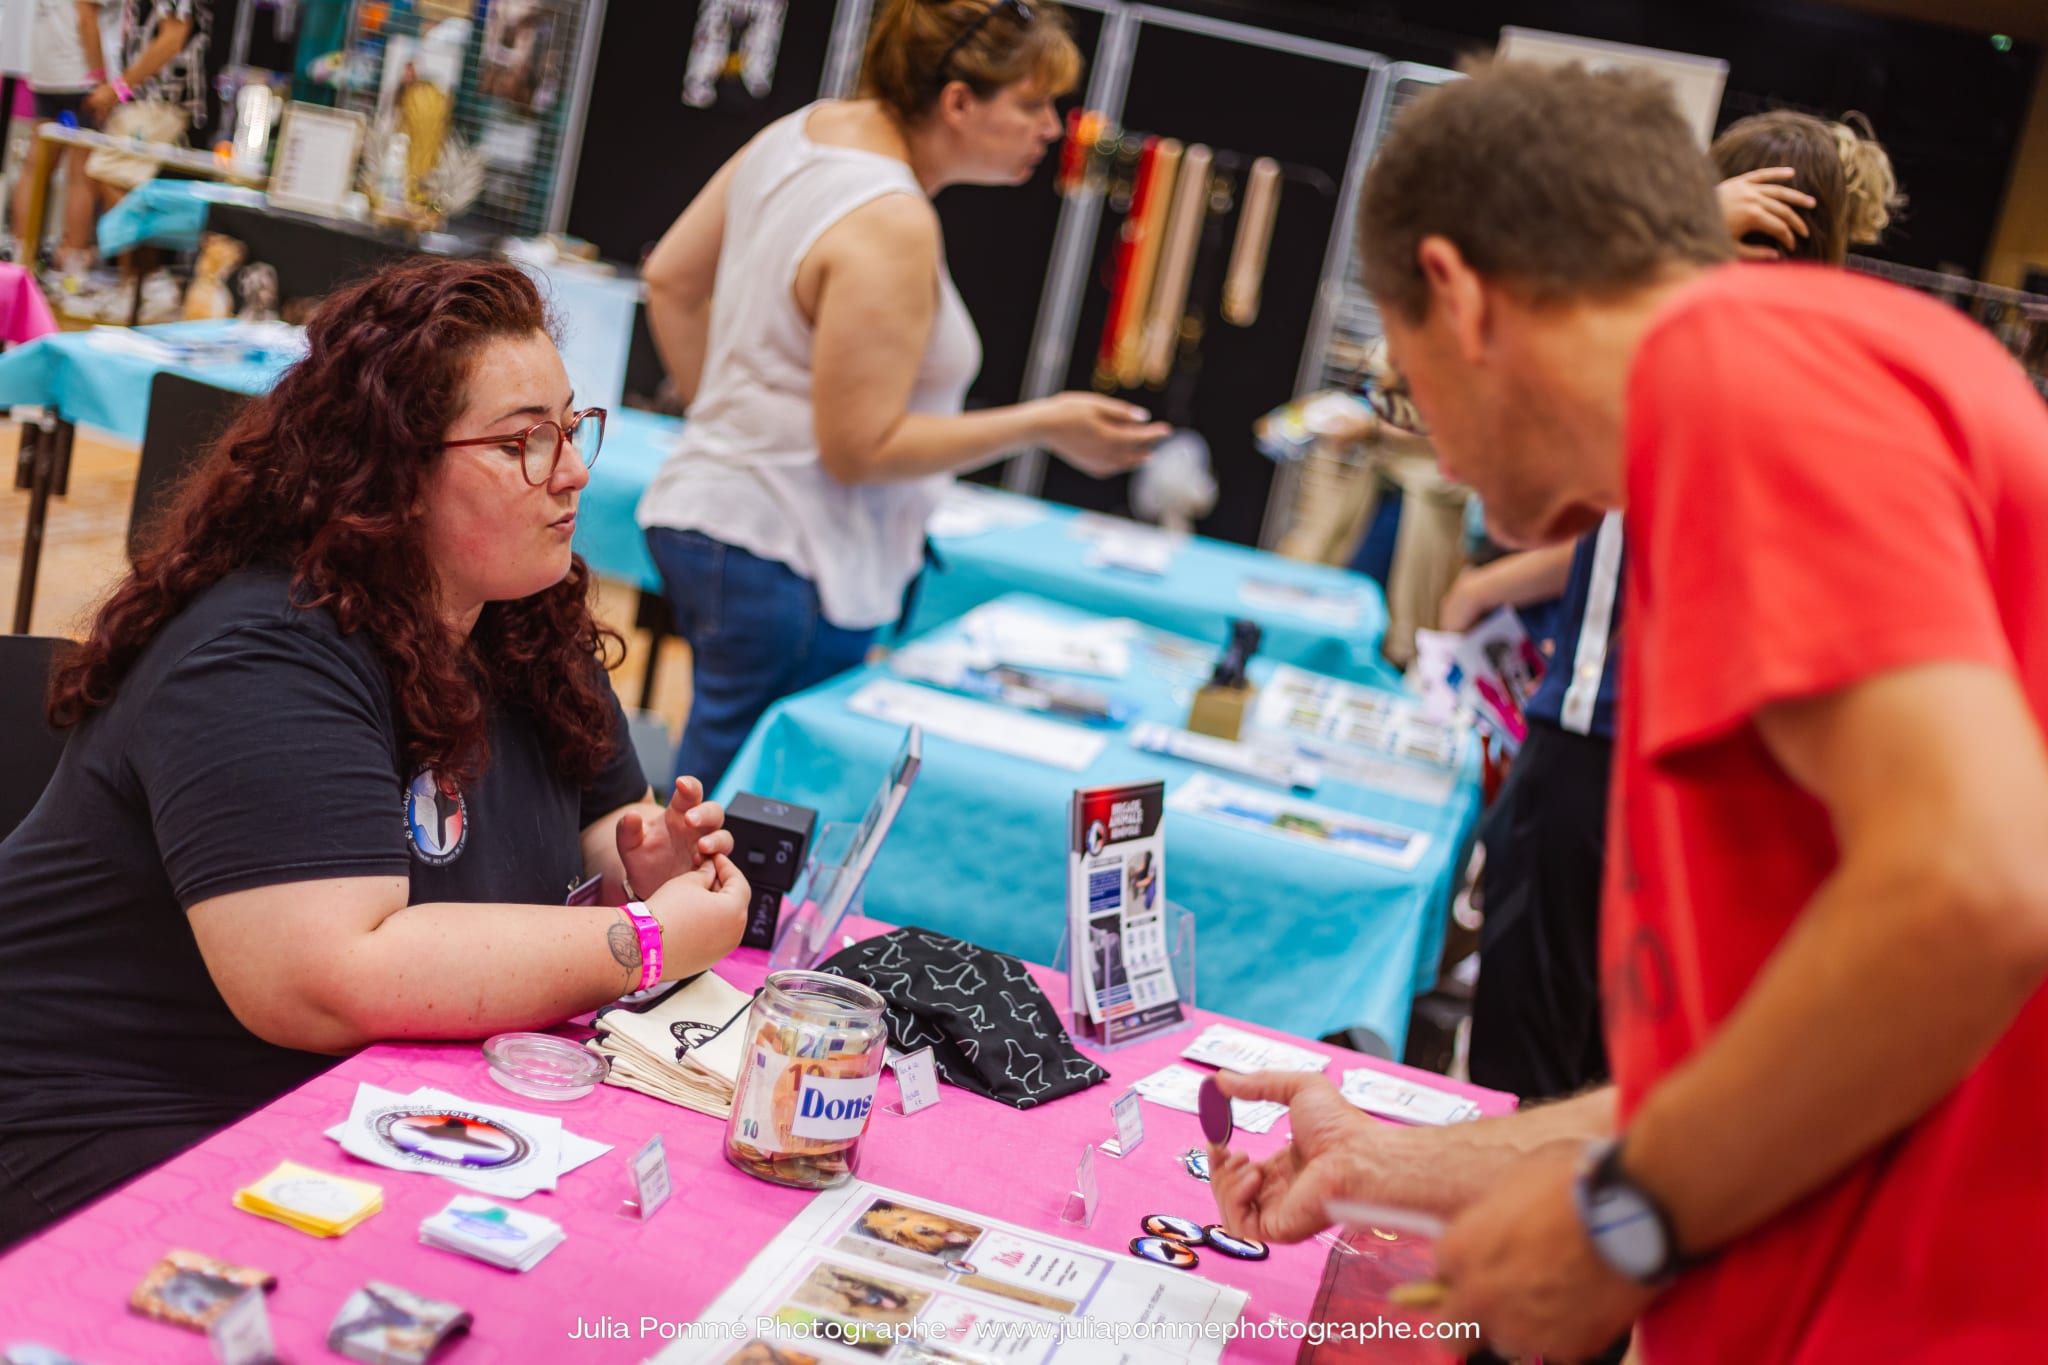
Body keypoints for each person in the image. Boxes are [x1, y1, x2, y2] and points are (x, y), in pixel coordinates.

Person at [1208, 61, 2048, 1362]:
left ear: (1461, 293)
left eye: (1408, 387)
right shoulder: (1797, 378)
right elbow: (1767, 1056)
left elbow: (1979, 887)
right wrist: (1402, 1159)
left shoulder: (1753, 388)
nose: (1445, 455)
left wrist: (1618, 1227)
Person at [0, 259, 751, 1251]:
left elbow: (608, 819)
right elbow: (326, 977)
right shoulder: (261, 653)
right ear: (389, 469)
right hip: (106, 1125)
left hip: (348, 1104)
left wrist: (638, 865)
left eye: (570, 428)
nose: (570, 471)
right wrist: (649, 941)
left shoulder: (517, 616)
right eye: (522, 440)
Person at [1455, 108, 1902, 1104]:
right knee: (1589, 1078)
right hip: (1671, 765)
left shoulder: (1717, 351)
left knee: (1563, 1083)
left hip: (1633, 759)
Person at [638, 0, 1168, 790]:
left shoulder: (802, 132)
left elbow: (669, 279)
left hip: (729, 522)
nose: (1052, 129)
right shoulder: (890, 217)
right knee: (738, 820)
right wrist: (1044, 423)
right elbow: (863, 448)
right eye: (1032, 104)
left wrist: (728, 419)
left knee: (722, 802)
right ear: (959, 102)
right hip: (787, 550)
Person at [12, 0, 108, 288]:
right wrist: (101, 78)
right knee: (81, 177)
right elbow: (86, 17)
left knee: (35, 168)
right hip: (78, 73)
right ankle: (72, 271)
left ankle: (21, 257)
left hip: (46, 71)